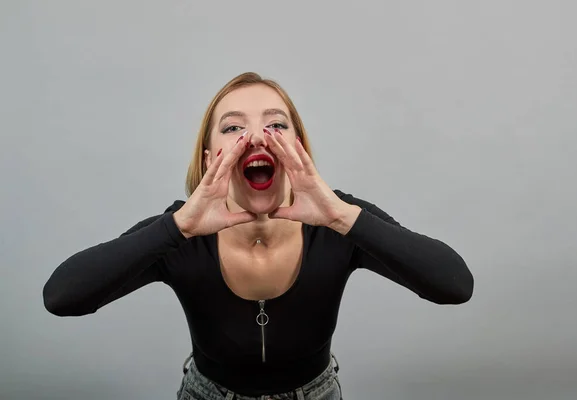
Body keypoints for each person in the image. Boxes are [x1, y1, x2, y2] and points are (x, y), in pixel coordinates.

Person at [42, 72, 474, 400]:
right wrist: (178, 228)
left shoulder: (337, 220)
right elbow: (62, 296)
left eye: (276, 125)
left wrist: (342, 218)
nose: (253, 138)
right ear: (212, 157)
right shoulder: (178, 232)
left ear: (298, 147)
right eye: (232, 128)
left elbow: (454, 285)